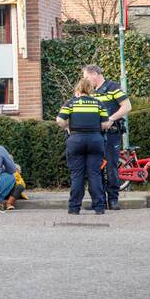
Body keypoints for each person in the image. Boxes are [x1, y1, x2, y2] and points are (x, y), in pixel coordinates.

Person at [56, 78, 110, 215]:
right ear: (90, 89)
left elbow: (60, 120)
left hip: (76, 140)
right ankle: (99, 207)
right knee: (95, 174)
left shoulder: (71, 103)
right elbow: (105, 124)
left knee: (77, 175)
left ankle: (74, 208)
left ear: (78, 89)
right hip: (95, 140)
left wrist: (67, 127)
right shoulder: (98, 104)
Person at [83, 64, 131, 210]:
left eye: (86, 77)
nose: (85, 80)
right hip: (94, 135)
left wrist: (111, 119)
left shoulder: (113, 87)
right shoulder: (90, 91)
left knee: (111, 167)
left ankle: (113, 200)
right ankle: (98, 200)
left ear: (94, 74)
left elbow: (127, 106)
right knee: (95, 168)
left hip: (111, 134)